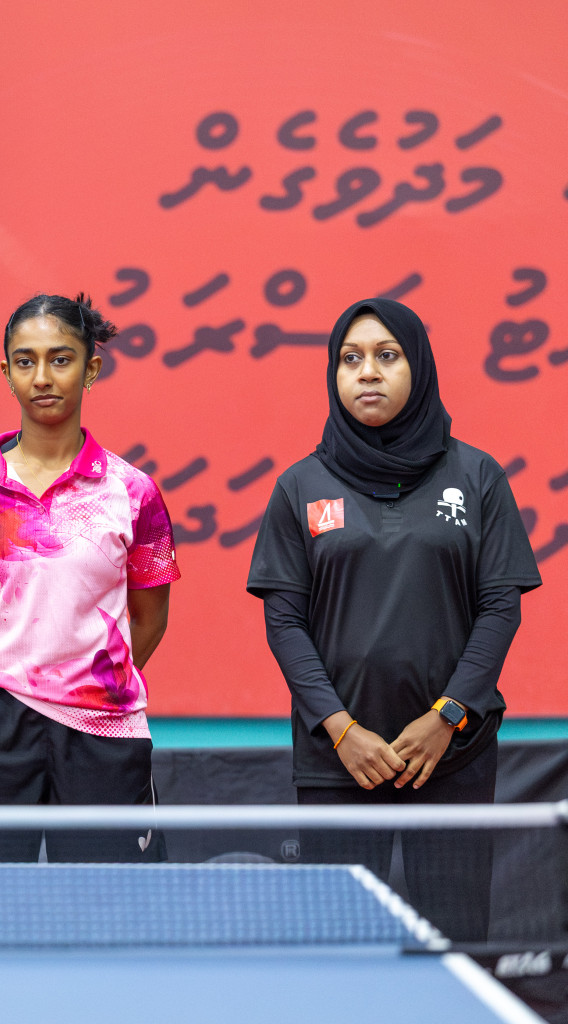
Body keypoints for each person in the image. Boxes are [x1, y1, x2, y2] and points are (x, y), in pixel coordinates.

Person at [247, 297, 539, 941]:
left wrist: (447, 717)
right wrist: (342, 729)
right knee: (337, 949)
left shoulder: (478, 476)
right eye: (350, 359)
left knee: (455, 945)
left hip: (453, 754)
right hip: (339, 760)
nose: (368, 372)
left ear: (420, 367)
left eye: (387, 355)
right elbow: (285, 623)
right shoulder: (300, 486)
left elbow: (500, 607)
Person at [0, 293, 179, 862]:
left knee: (107, 900)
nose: (42, 377)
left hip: (102, 726)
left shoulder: (134, 493)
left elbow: (150, 618)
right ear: (6, 372)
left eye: (61, 359)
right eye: (25, 361)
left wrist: (84, 679)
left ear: (91, 368)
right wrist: (7, 679)